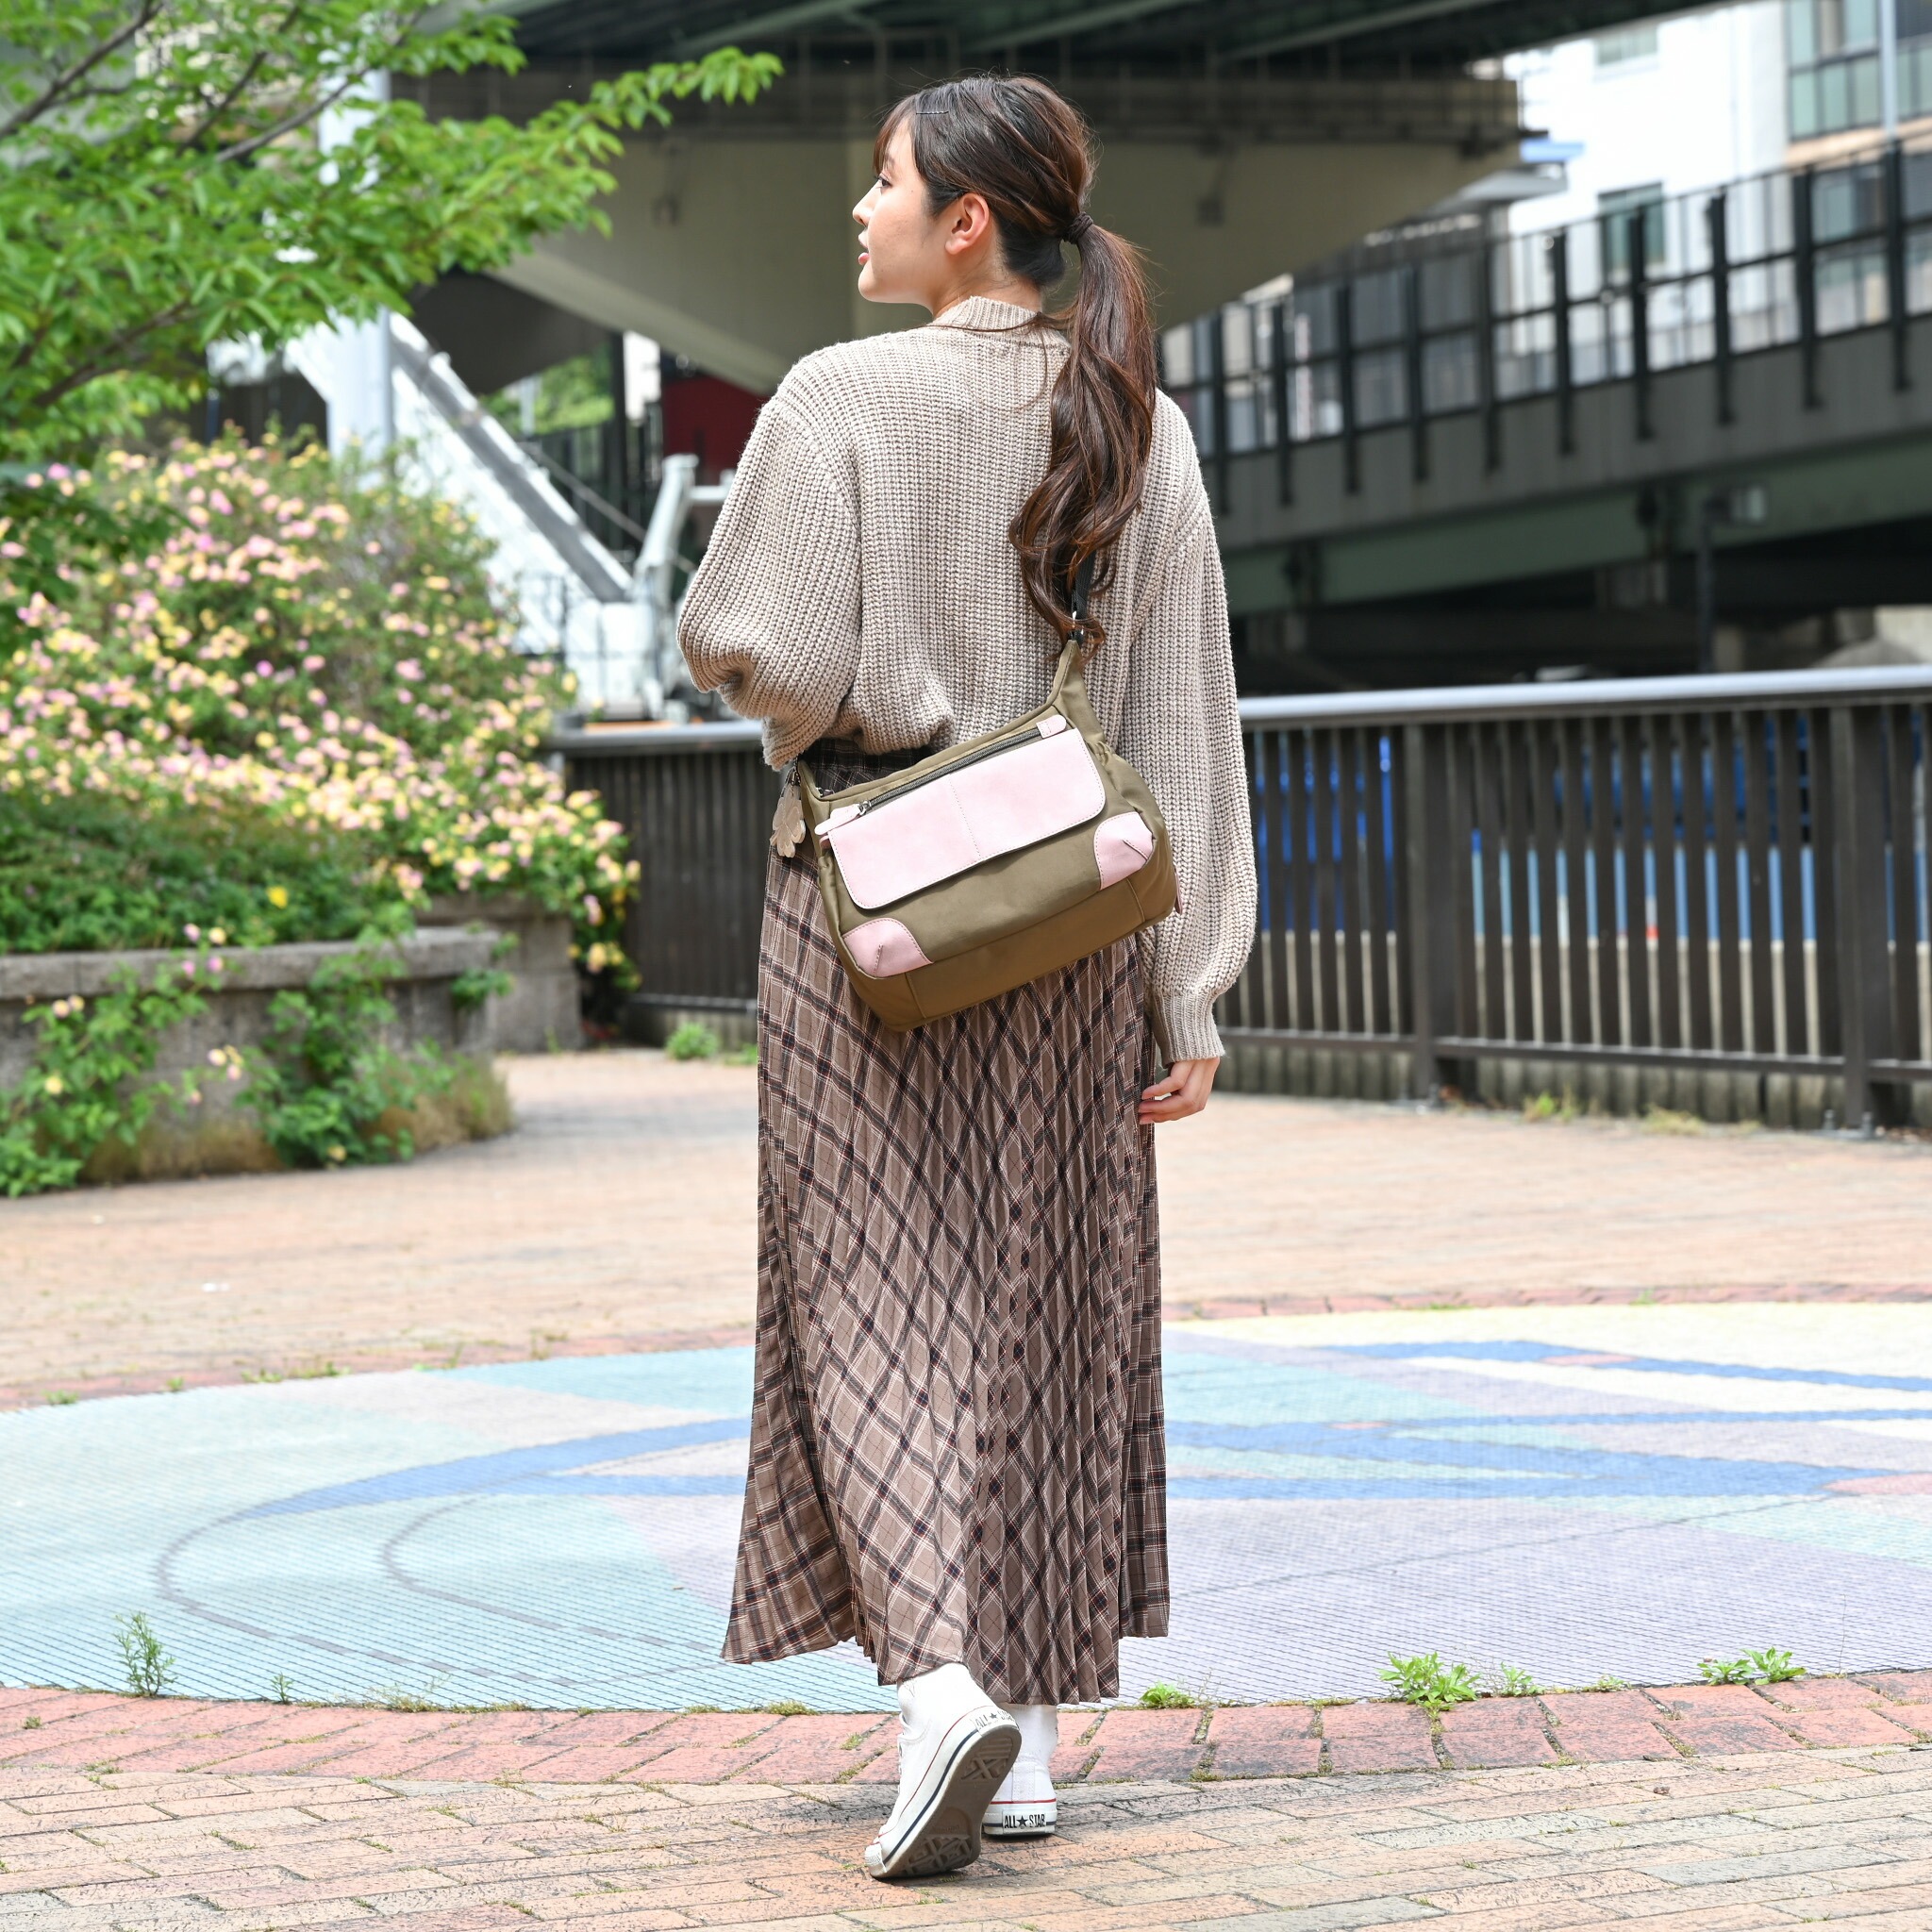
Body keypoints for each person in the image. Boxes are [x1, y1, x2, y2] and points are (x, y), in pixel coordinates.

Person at [678, 73, 1257, 1883]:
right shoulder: (1134, 423)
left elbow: (757, 647)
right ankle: (1031, 1736)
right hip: (1074, 925)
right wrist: (1190, 990)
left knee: (864, 1301)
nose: (862, 211)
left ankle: (937, 1690)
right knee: (1045, 1303)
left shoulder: (839, 397)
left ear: (967, 218)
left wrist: (823, 693)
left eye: (884, 181)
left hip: (872, 919)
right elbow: (1184, 722)